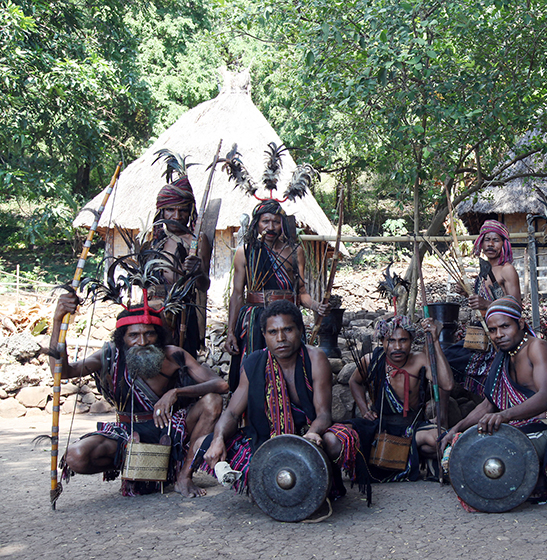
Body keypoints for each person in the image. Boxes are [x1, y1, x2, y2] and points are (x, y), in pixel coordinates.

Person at [49, 291, 227, 498]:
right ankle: (136, 470)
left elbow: (220, 385)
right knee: (76, 456)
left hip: (169, 428)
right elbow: (61, 372)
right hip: (126, 432)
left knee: (211, 401)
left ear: (157, 335)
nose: (142, 342)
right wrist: (57, 320)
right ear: (122, 338)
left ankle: (183, 475)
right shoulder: (110, 355)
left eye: (149, 334)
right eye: (133, 335)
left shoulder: (172, 355)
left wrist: (176, 392)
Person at [203, 301, 368, 502]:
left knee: (337, 440)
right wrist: (218, 438)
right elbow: (232, 413)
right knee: (206, 444)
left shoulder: (315, 359)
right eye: (273, 332)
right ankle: (264, 483)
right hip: (267, 441)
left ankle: (324, 482)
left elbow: (324, 414)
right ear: (264, 335)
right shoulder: (253, 363)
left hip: (310, 436)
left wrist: (313, 433)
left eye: (288, 330)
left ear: (300, 330)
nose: (281, 338)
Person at [443, 296, 547, 506]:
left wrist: (504, 415)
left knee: (485, 447)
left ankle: (537, 479)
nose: (498, 335)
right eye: (492, 330)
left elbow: (546, 396)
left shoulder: (536, 347)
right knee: (466, 442)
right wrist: (456, 428)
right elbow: (488, 404)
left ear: (520, 323)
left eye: (505, 327)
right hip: (517, 426)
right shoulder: (505, 355)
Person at [225, 199, 328, 390]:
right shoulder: (245, 252)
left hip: (287, 320)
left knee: (290, 375)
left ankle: (291, 414)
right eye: (266, 221)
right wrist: (231, 332)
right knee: (254, 375)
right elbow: (237, 294)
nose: (271, 227)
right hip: (255, 321)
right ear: (257, 224)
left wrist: (316, 306)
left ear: (283, 224)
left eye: (276, 221)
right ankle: (250, 415)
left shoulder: (295, 252)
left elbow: (301, 293)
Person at [345, 315, 454, 482]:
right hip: (379, 427)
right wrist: (364, 409)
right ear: (382, 342)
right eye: (391, 341)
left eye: (403, 340)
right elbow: (355, 381)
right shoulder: (371, 361)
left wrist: (435, 342)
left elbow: (447, 384)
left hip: (411, 428)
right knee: (344, 437)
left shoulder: (419, 360)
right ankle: (405, 457)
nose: (397, 347)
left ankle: (407, 455)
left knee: (442, 441)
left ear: (411, 341)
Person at [443, 219, 521, 395]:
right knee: (447, 357)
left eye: (496, 240)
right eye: (487, 240)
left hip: (497, 335)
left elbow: (516, 306)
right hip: (478, 335)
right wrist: (466, 292)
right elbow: (486, 300)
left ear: (504, 244)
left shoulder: (507, 269)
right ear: (481, 243)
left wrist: (487, 304)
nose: (491, 244)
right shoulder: (483, 271)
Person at [149, 176, 212, 356]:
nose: (176, 216)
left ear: (190, 211)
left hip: (182, 313)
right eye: (170, 210)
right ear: (161, 211)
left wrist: (197, 271)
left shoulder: (198, 241)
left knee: (181, 361)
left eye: (182, 211)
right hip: (153, 311)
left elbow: (204, 286)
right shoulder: (153, 240)